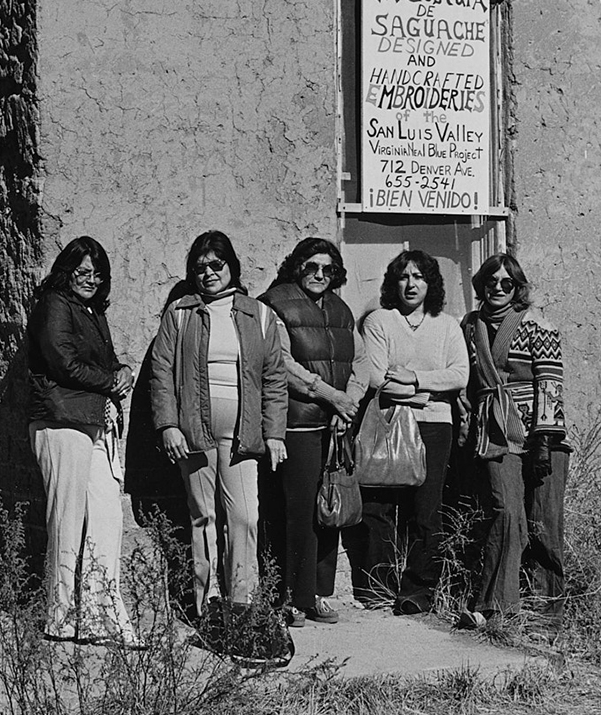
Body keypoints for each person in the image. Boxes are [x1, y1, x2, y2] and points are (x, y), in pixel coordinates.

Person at [149, 230, 288, 617]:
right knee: (204, 516)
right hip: (194, 432)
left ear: (232, 266)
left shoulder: (258, 314)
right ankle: (207, 602)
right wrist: (168, 425)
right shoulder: (180, 313)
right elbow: (160, 373)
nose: (208, 273)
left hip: (243, 435)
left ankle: (242, 601)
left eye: (216, 265)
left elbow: (275, 377)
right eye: (199, 268)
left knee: (244, 515)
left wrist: (274, 431)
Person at [26, 236, 139, 646]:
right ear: (66, 272)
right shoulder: (55, 304)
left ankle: (98, 616)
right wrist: (111, 381)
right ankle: (60, 618)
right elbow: (63, 361)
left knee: (107, 521)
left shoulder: (90, 310)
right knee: (67, 523)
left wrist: (120, 370)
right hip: (61, 423)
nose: (91, 279)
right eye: (83, 272)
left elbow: (99, 364)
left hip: (92, 424)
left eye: (98, 273)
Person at [346, 250, 469, 615]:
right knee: (378, 505)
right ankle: (378, 586)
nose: (411, 283)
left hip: (435, 426)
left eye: (419, 276)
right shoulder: (380, 322)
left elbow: (459, 375)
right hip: (388, 420)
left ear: (430, 283)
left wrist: (414, 378)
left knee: (426, 511)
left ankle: (417, 591)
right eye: (404, 276)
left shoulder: (447, 325)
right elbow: (377, 378)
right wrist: (433, 388)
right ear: (393, 283)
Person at [459, 252, 567, 625]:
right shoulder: (470, 326)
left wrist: (543, 440)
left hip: (541, 436)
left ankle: (546, 614)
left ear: (517, 288)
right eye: (492, 282)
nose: (499, 289)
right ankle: (496, 607)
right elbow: (466, 381)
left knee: (543, 523)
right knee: (506, 513)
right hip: (495, 433)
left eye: (507, 283)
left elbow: (550, 383)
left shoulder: (537, 325)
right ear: (482, 286)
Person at [258, 237, 359, 628]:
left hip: (335, 427)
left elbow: (361, 361)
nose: (320, 275)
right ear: (297, 266)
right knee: (295, 513)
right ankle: (286, 597)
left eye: (328, 269)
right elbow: (281, 362)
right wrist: (331, 396)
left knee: (326, 513)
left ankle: (315, 594)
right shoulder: (276, 303)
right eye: (312, 267)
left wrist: (346, 406)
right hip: (296, 424)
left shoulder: (341, 308)